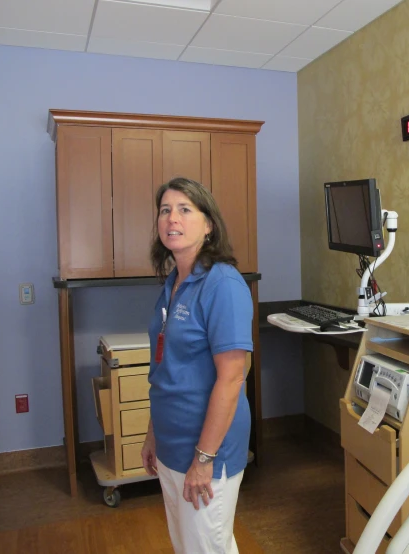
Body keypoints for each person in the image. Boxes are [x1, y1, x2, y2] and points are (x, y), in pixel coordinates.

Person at [141, 177, 253, 554]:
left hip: (207, 452)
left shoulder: (222, 284)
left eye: (185, 209)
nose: (172, 217)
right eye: (165, 210)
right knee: (191, 545)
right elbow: (167, 368)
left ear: (209, 225)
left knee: (207, 547)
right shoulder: (172, 283)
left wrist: (204, 459)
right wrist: (153, 431)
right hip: (172, 444)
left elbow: (233, 377)